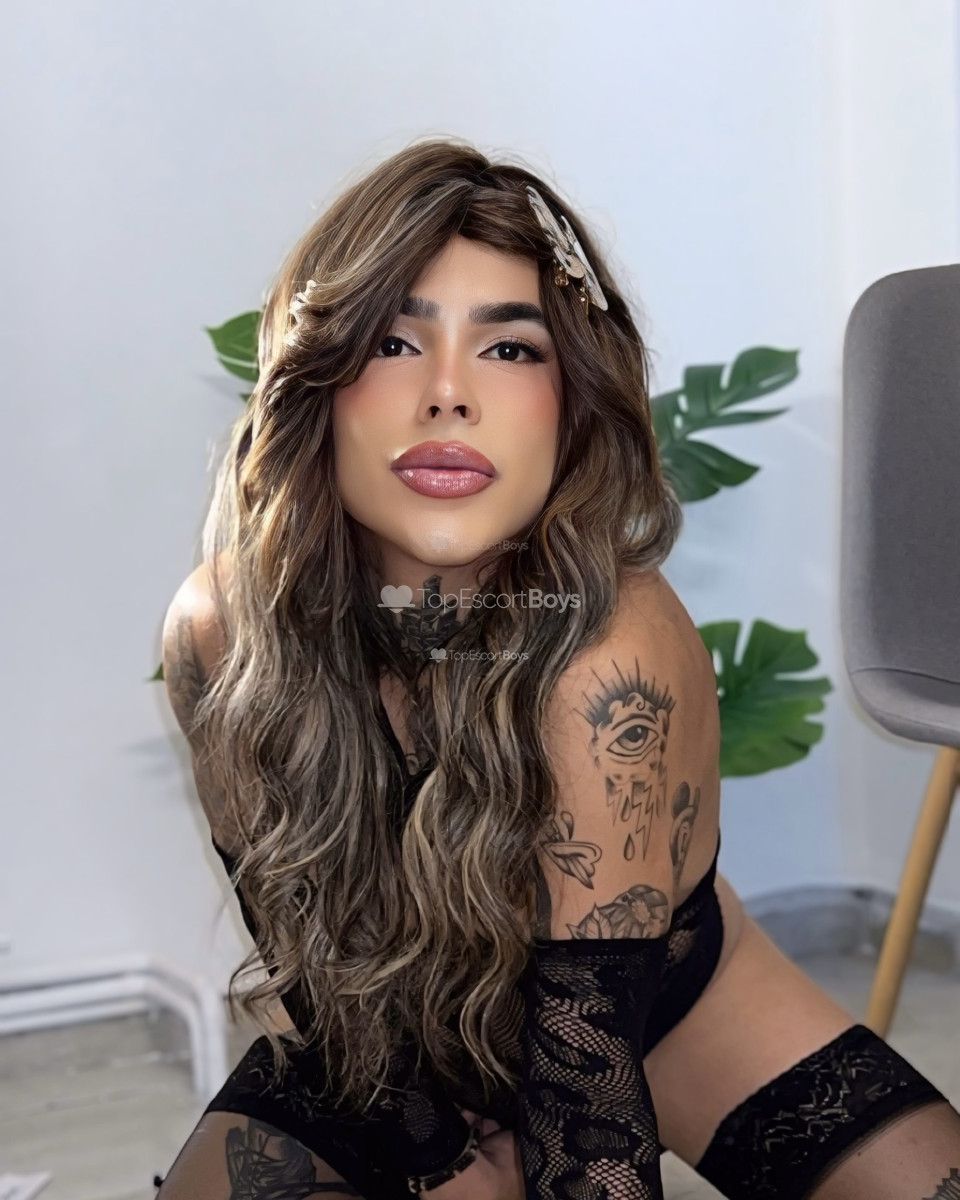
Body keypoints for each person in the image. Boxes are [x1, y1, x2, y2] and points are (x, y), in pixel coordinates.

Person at [157, 137, 960, 1199]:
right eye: (393, 342)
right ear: (316, 383)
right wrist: (440, 1165)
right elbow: (310, 963)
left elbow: (588, 1108)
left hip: (661, 1018)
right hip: (384, 1045)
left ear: (572, 398)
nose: (448, 395)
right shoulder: (222, 630)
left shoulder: (607, 655)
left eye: (508, 348)